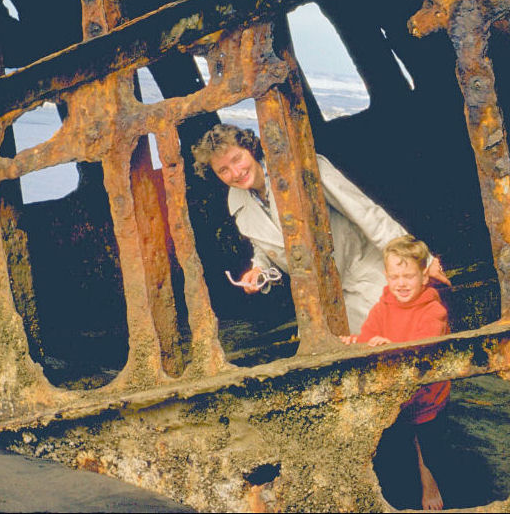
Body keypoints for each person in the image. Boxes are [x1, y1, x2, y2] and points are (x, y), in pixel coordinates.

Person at [191, 123, 449, 331]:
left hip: (368, 271)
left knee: (402, 342)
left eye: (237, 159)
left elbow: (366, 214)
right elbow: (267, 245)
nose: (235, 172)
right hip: (327, 298)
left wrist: (420, 260)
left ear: (251, 149)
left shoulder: (302, 168)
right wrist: (259, 269)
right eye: (223, 170)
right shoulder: (236, 201)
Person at [341, 234, 449, 510]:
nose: (401, 283)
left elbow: (426, 348)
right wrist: (356, 343)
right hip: (393, 397)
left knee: (430, 450)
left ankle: (431, 485)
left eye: (409, 276)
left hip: (426, 394)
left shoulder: (433, 310)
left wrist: (393, 348)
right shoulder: (382, 307)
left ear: (424, 277)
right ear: (386, 276)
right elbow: (367, 339)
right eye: (394, 276)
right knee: (393, 451)